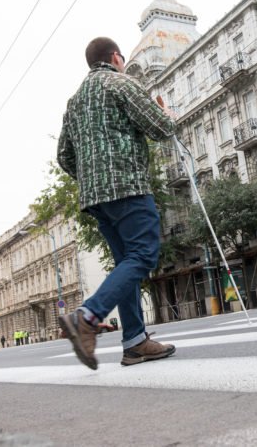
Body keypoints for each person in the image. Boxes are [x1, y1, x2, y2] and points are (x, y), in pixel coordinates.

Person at [57, 37, 177, 370]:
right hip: (127, 187)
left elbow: (64, 156)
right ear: (115, 57)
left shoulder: (75, 101)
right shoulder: (121, 83)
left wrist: (91, 177)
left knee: (126, 263)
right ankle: (87, 316)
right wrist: (167, 112)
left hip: (95, 198)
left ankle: (135, 343)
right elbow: (161, 128)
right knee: (143, 255)